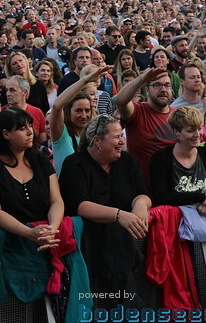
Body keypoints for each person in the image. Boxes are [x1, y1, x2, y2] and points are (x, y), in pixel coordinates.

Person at [60, 114, 150, 308]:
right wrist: (119, 215)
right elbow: (81, 205)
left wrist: (140, 205)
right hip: (88, 250)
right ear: (97, 141)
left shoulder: (127, 161)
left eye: (122, 136)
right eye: (117, 137)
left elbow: (143, 194)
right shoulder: (74, 163)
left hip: (122, 250)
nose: (122, 141)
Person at [0, 106, 63, 252]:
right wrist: (29, 233)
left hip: (46, 241)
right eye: (22, 128)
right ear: (6, 134)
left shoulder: (40, 159)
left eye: (30, 126)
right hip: (8, 246)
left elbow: (56, 200)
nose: (30, 132)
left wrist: (51, 230)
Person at [149, 107, 206, 210]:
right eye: (190, 131)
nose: (197, 134)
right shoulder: (161, 158)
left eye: (200, 128)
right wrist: (202, 198)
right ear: (176, 132)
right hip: (175, 222)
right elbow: (161, 197)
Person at [113, 66, 176, 187]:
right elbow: (120, 101)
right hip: (143, 190)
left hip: (173, 189)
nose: (163, 89)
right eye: (157, 85)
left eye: (167, 85)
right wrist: (142, 78)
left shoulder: (177, 115)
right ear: (147, 90)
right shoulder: (137, 111)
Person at [50, 65, 106, 173]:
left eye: (87, 110)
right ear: (68, 111)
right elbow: (56, 106)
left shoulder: (94, 138)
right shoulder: (62, 135)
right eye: (78, 111)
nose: (84, 116)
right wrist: (85, 80)